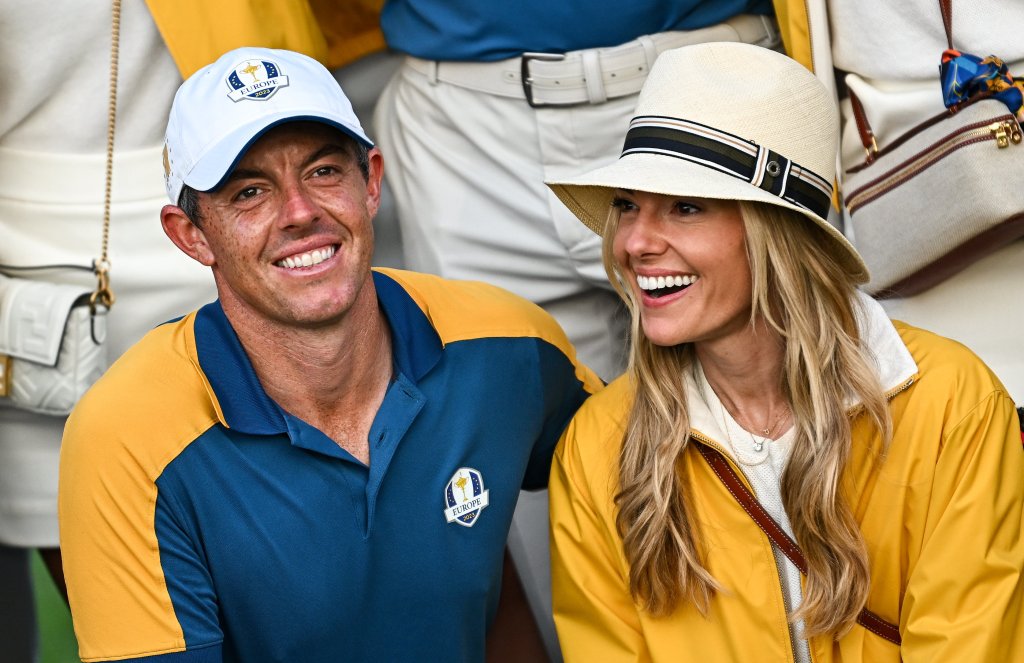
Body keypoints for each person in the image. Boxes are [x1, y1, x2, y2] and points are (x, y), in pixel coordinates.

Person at [58, 46, 601, 663]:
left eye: (322, 172)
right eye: (249, 192)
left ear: (370, 181)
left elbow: (650, 485)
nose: (300, 213)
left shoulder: (508, 346)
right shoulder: (123, 439)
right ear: (192, 235)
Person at [546, 42, 1024, 662]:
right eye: (627, 206)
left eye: (686, 207)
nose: (634, 241)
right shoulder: (596, 447)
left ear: (779, 237)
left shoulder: (950, 405)